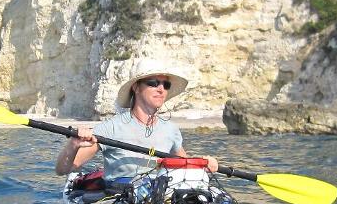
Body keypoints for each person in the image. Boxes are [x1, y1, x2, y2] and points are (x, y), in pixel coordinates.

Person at [55, 58, 218, 179]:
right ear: (136, 88)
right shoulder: (110, 128)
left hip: (160, 199)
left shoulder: (171, 130)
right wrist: (74, 144)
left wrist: (204, 163)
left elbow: (185, 164)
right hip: (123, 202)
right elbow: (62, 169)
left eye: (165, 85)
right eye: (153, 83)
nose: (161, 89)